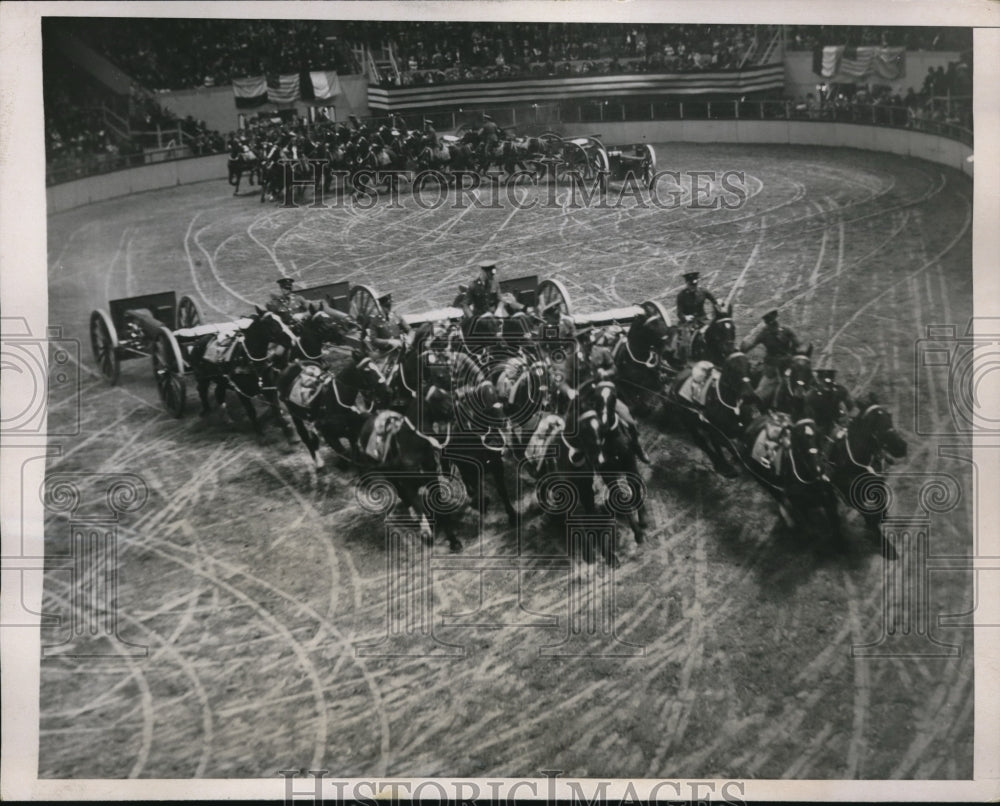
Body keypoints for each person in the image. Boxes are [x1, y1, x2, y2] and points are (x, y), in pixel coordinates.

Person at [739, 309, 804, 409]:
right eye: (768, 321)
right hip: (771, 368)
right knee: (760, 392)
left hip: (787, 366)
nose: (770, 323)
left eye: (772, 320)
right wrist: (743, 346)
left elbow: (799, 345)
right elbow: (750, 346)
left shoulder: (786, 330)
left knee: (801, 383)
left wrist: (793, 353)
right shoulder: (764, 333)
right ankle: (757, 407)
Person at [671, 271, 719, 360]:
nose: (693, 287)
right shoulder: (681, 295)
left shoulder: (703, 291)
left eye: (695, 285)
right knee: (685, 341)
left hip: (703, 319)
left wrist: (718, 306)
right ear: (687, 284)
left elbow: (714, 300)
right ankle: (685, 359)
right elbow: (679, 313)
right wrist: (685, 317)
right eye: (691, 285)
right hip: (689, 323)